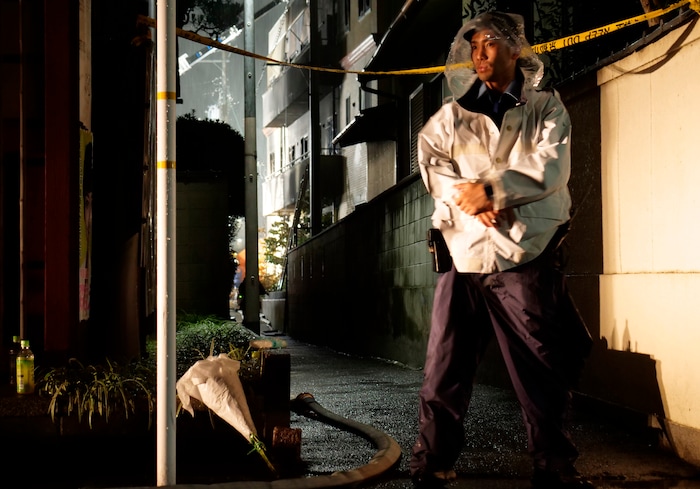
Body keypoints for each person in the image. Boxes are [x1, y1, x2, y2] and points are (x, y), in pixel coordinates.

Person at [410, 11, 593, 489]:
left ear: (515, 49)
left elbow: (550, 166)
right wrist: (467, 196)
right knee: (444, 365)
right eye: (473, 44)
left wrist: (491, 191)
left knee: (539, 365)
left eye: (490, 43)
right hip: (463, 251)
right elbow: (432, 162)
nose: (479, 52)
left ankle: (553, 464)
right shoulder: (451, 117)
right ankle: (432, 461)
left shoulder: (545, 109)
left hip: (524, 255)